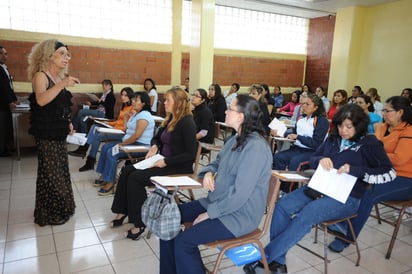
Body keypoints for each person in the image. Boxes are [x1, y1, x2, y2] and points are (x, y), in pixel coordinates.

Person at [244, 104, 395, 274]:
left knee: (307, 214)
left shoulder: (370, 143)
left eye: (348, 126)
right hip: (319, 188)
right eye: (340, 125)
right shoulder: (333, 138)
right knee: (282, 207)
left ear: (359, 126)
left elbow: (388, 173)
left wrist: (355, 170)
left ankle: (265, 258)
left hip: (347, 197)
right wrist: (321, 160)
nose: (343, 130)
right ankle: (278, 262)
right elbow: (314, 157)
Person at [160, 95, 273, 274]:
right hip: (217, 203)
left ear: (241, 116)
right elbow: (215, 163)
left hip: (239, 215)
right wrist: (208, 173)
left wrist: (209, 214)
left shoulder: (256, 148)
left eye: (230, 109)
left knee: (184, 241)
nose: (226, 111)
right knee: (165, 221)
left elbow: (240, 195)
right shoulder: (234, 140)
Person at [109, 87, 197, 239]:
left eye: (168, 100)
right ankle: (122, 210)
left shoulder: (187, 123)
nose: (164, 102)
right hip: (162, 160)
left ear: (178, 103)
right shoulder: (169, 118)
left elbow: (190, 154)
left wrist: (166, 161)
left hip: (176, 166)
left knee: (135, 178)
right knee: (127, 170)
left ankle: (140, 223)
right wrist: (155, 145)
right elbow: (156, 138)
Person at [328, 96, 412, 253]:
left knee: (368, 192)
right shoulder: (380, 127)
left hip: (405, 178)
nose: (384, 113)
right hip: (379, 171)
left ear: (400, 112)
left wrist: (376, 155)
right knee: (349, 179)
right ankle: (340, 218)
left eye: (388, 111)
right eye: (384, 110)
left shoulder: (409, 131)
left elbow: (400, 159)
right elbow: (369, 148)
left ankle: (347, 236)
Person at [27, 39, 80, 226]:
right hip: (45, 134)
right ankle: (49, 213)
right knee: (50, 173)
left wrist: (69, 123)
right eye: (62, 54)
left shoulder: (59, 79)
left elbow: (61, 106)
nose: (67, 58)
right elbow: (41, 101)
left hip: (59, 132)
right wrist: (62, 84)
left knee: (60, 171)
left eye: (68, 54)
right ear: (50, 55)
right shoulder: (41, 76)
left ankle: (62, 208)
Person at [96, 91, 155, 195]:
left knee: (112, 152)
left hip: (140, 145)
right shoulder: (136, 114)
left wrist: (122, 144)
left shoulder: (144, 116)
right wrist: (127, 116)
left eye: (136, 100)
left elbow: (137, 135)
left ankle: (110, 183)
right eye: (133, 99)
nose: (133, 101)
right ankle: (105, 175)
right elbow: (126, 128)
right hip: (130, 142)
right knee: (105, 147)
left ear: (143, 103)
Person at [272, 93, 329, 192]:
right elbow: (293, 134)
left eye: (307, 104)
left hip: (313, 152)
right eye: (303, 104)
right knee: (278, 157)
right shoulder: (301, 119)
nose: (304, 106)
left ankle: (289, 191)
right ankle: (279, 187)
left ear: (315, 107)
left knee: (295, 161)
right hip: (297, 149)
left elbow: (316, 143)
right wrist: (280, 133)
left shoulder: (321, 121)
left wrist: (298, 137)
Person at [70, 87, 135, 171]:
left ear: (130, 96)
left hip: (121, 131)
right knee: (94, 126)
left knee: (98, 135)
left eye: (125, 95)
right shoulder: (124, 106)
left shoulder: (132, 109)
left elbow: (128, 126)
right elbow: (118, 121)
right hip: (115, 127)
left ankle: (88, 156)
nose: (123, 97)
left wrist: (113, 126)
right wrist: (107, 123)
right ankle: (85, 150)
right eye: (122, 95)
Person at [0, 45, 18, 156]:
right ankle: (1, 150)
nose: (4, 56)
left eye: (5, 54)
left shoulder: (4, 68)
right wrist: (9, 101)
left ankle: (6, 147)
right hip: (1, 104)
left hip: (7, 103)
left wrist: (14, 99)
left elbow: (9, 86)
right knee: (2, 128)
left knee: (6, 127)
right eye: (1, 53)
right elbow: (2, 88)